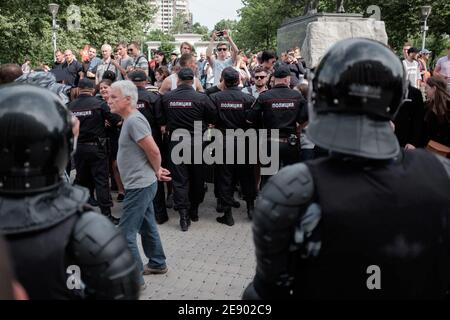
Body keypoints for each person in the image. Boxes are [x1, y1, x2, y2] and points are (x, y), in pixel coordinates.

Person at [243, 38, 450, 300]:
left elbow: (267, 291)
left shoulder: (292, 189)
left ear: (322, 98)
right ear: (398, 98)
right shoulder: (442, 173)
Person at [0, 85, 140, 299]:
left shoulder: (86, 228)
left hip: (84, 154)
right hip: (96, 151)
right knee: (99, 182)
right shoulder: (87, 230)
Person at [109, 80, 171, 287]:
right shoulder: (129, 120)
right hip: (140, 183)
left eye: (113, 97)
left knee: (124, 235)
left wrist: (157, 170)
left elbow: (153, 150)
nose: (108, 100)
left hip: (140, 185)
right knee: (147, 225)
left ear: (128, 99)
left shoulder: (134, 120)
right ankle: (157, 263)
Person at [161, 68, 217, 231]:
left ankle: (183, 216)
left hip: (176, 143)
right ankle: (194, 210)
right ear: (193, 81)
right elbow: (213, 117)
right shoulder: (201, 97)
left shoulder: (168, 98)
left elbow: (162, 119)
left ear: (177, 80)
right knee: (198, 179)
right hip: (198, 143)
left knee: (179, 180)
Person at [209, 67, 257, 225]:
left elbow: (212, 120)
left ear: (223, 80)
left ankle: (227, 214)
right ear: (238, 80)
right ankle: (251, 208)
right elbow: (254, 121)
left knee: (225, 177)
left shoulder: (215, 98)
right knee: (247, 176)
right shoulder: (248, 98)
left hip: (223, 141)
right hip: (244, 141)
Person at [69, 78, 120, 224]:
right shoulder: (100, 104)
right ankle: (106, 215)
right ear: (92, 90)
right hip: (97, 148)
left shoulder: (70, 106)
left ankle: (82, 216)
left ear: (79, 89)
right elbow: (116, 120)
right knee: (101, 181)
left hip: (78, 149)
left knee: (81, 180)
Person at [422, 76, 450, 157]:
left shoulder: (448, 107)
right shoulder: (426, 108)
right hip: (430, 154)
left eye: (426, 88)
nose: (425, 91)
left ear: (434, 88)